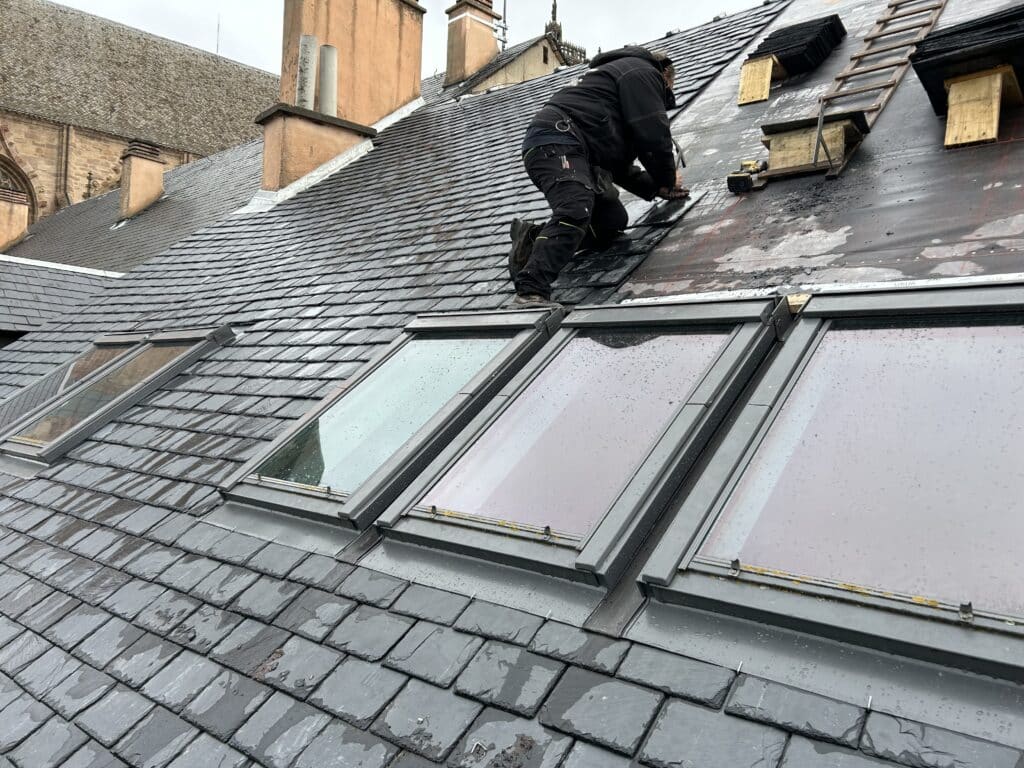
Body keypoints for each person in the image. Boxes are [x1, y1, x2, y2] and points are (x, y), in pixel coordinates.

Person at [509, 46, 690, 307]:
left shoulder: (615, 88)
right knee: (575, 208)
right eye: (666, 93)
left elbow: (617, 165)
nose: (662, 100)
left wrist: (655, 188)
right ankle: (530, 291)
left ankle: (532, 240)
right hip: (557, 141)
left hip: (572, 148)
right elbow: (653, 134)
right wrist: (668, 179)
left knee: (611, 221)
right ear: (665, 77)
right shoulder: (642, 71)